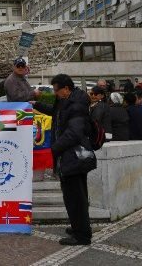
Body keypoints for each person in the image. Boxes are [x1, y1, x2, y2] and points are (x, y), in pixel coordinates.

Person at [32, 74, 93, 246]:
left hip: (73, 157)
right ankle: (78, 227)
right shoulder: (66, 101)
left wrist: (53, 149)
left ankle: (82, 236)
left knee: (76, 197)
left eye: (57, 91)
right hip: (68, 156)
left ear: (66, 89)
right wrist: (37, 105)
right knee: (72, 195)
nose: (56, 94)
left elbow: (74, 133)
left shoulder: (77, 104)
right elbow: (55, 112)